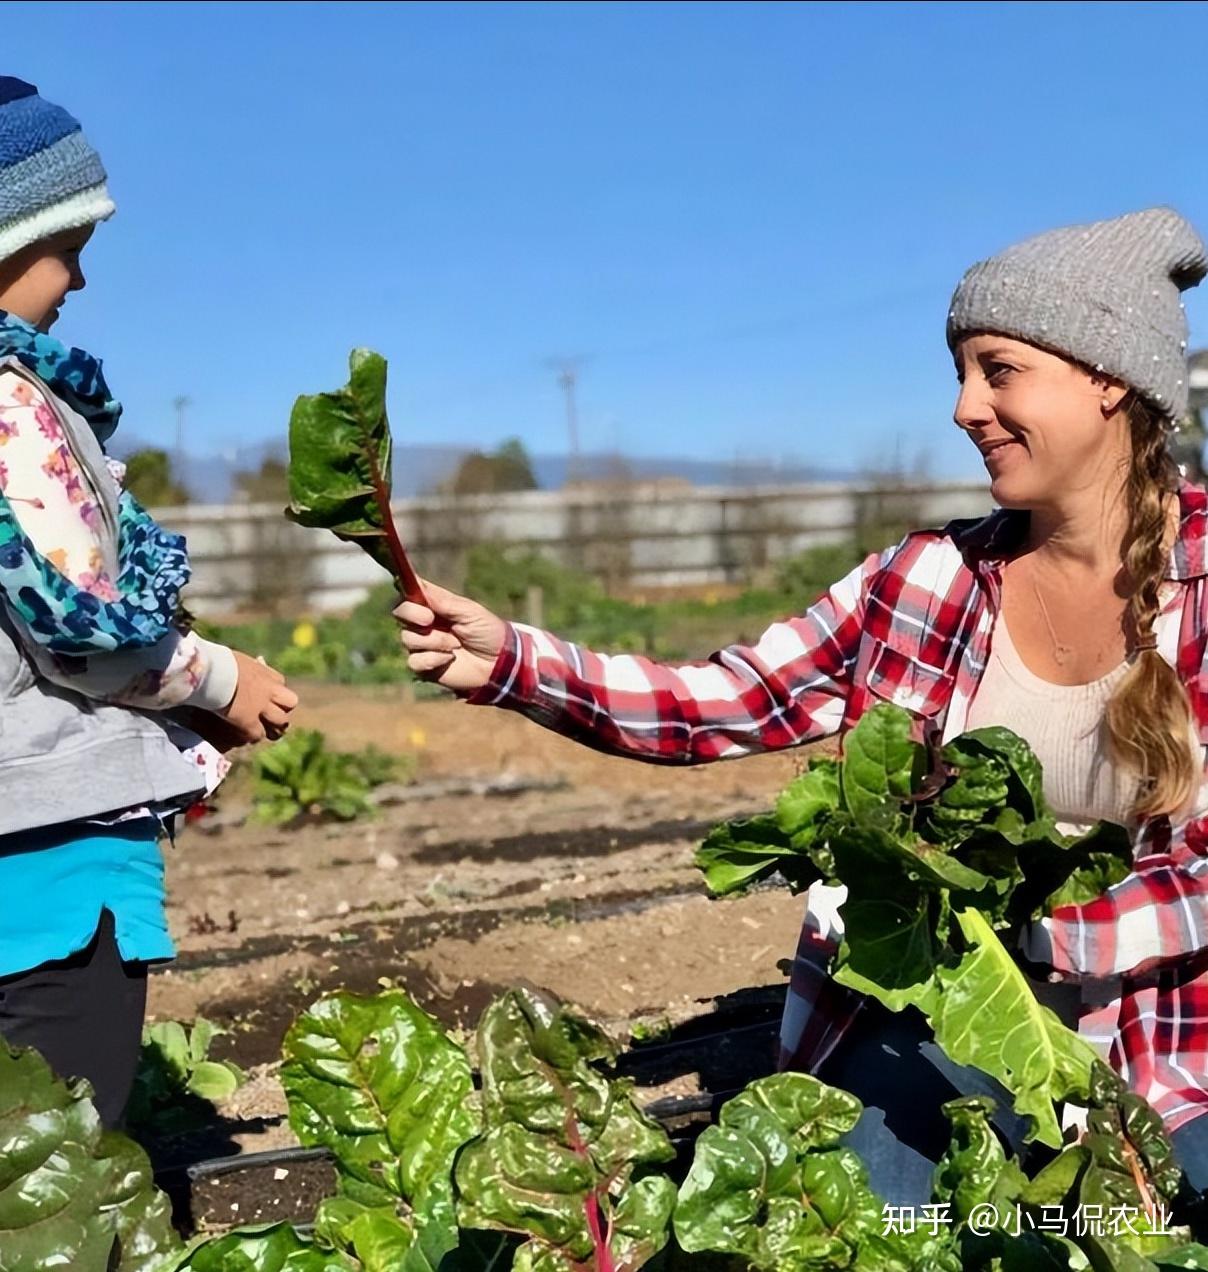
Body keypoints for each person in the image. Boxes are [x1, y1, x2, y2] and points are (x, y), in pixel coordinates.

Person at [395, 205, 1208, 1202]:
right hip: (933, 1022)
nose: (962, 407)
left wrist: (1032, 932)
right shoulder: (925, 578)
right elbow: (723, 699)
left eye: (997, 370)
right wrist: (517, 660)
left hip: (1163, 1041)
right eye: (958, 374)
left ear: (1105, 377)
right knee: (867, 1230)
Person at [0, 77, 298, 1128]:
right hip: (45, 848)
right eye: (65, 244)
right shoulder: (10, 404)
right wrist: (222, 680)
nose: (77, 275)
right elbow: (80, 624)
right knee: (55, 1176)